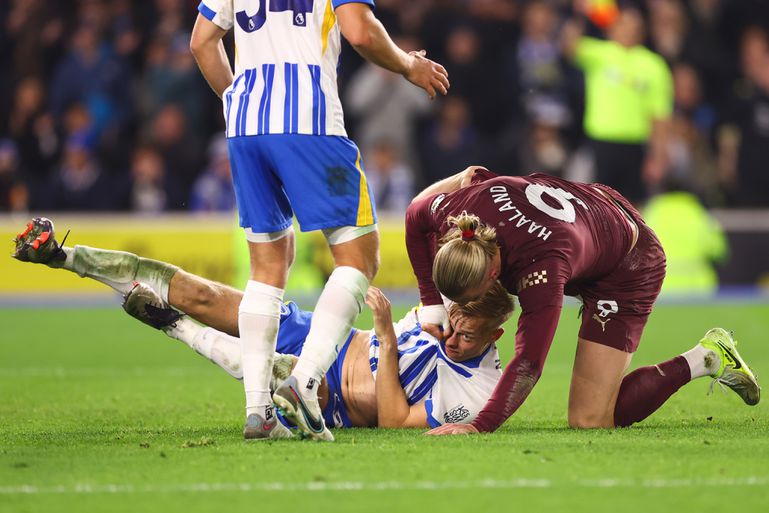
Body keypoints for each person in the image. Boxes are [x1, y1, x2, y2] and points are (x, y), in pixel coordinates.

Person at [189, 0, 449, 441]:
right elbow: (360, 32)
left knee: (267, 266)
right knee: (358, 256)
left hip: (246, 127)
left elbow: (201, 42)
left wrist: (239, 100)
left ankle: (258, 410)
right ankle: (305, 380)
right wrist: (408, 65)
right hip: (308, 119)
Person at [12, 218, 511, 431]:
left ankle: (175, 327)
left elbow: (394, 421)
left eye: (467, 333)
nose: (453, 333)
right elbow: (421, 216)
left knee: (273, 371)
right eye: (456, 315)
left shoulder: (481, 391)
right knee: (203, 295)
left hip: (329, 397)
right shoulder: (443, 311)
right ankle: (63, 256)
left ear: (497, 335)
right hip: (323, 334)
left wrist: (385, 335)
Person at [404, 166, 760, 435]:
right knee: (469, 178)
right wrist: (432, 301)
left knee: (589, 419)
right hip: (593, 206)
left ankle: (707, 357)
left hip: (629, 262)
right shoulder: (464, 213)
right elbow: (414, 214)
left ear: (493, 275)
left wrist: (478, 426)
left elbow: (529, 363)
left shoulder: (541, 270)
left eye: (469, 298)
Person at [562, 7, 673, 203]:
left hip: (635, 145)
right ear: (612, 29)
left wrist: (658, 158)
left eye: (634, 26)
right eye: (623, 25)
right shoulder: (600, 53)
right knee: (596, 204)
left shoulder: (653, 65)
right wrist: (581, 14)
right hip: (600, 144)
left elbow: (660, 116)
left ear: (642, 31)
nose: (628, 31)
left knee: (633, 207)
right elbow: (568, 46)